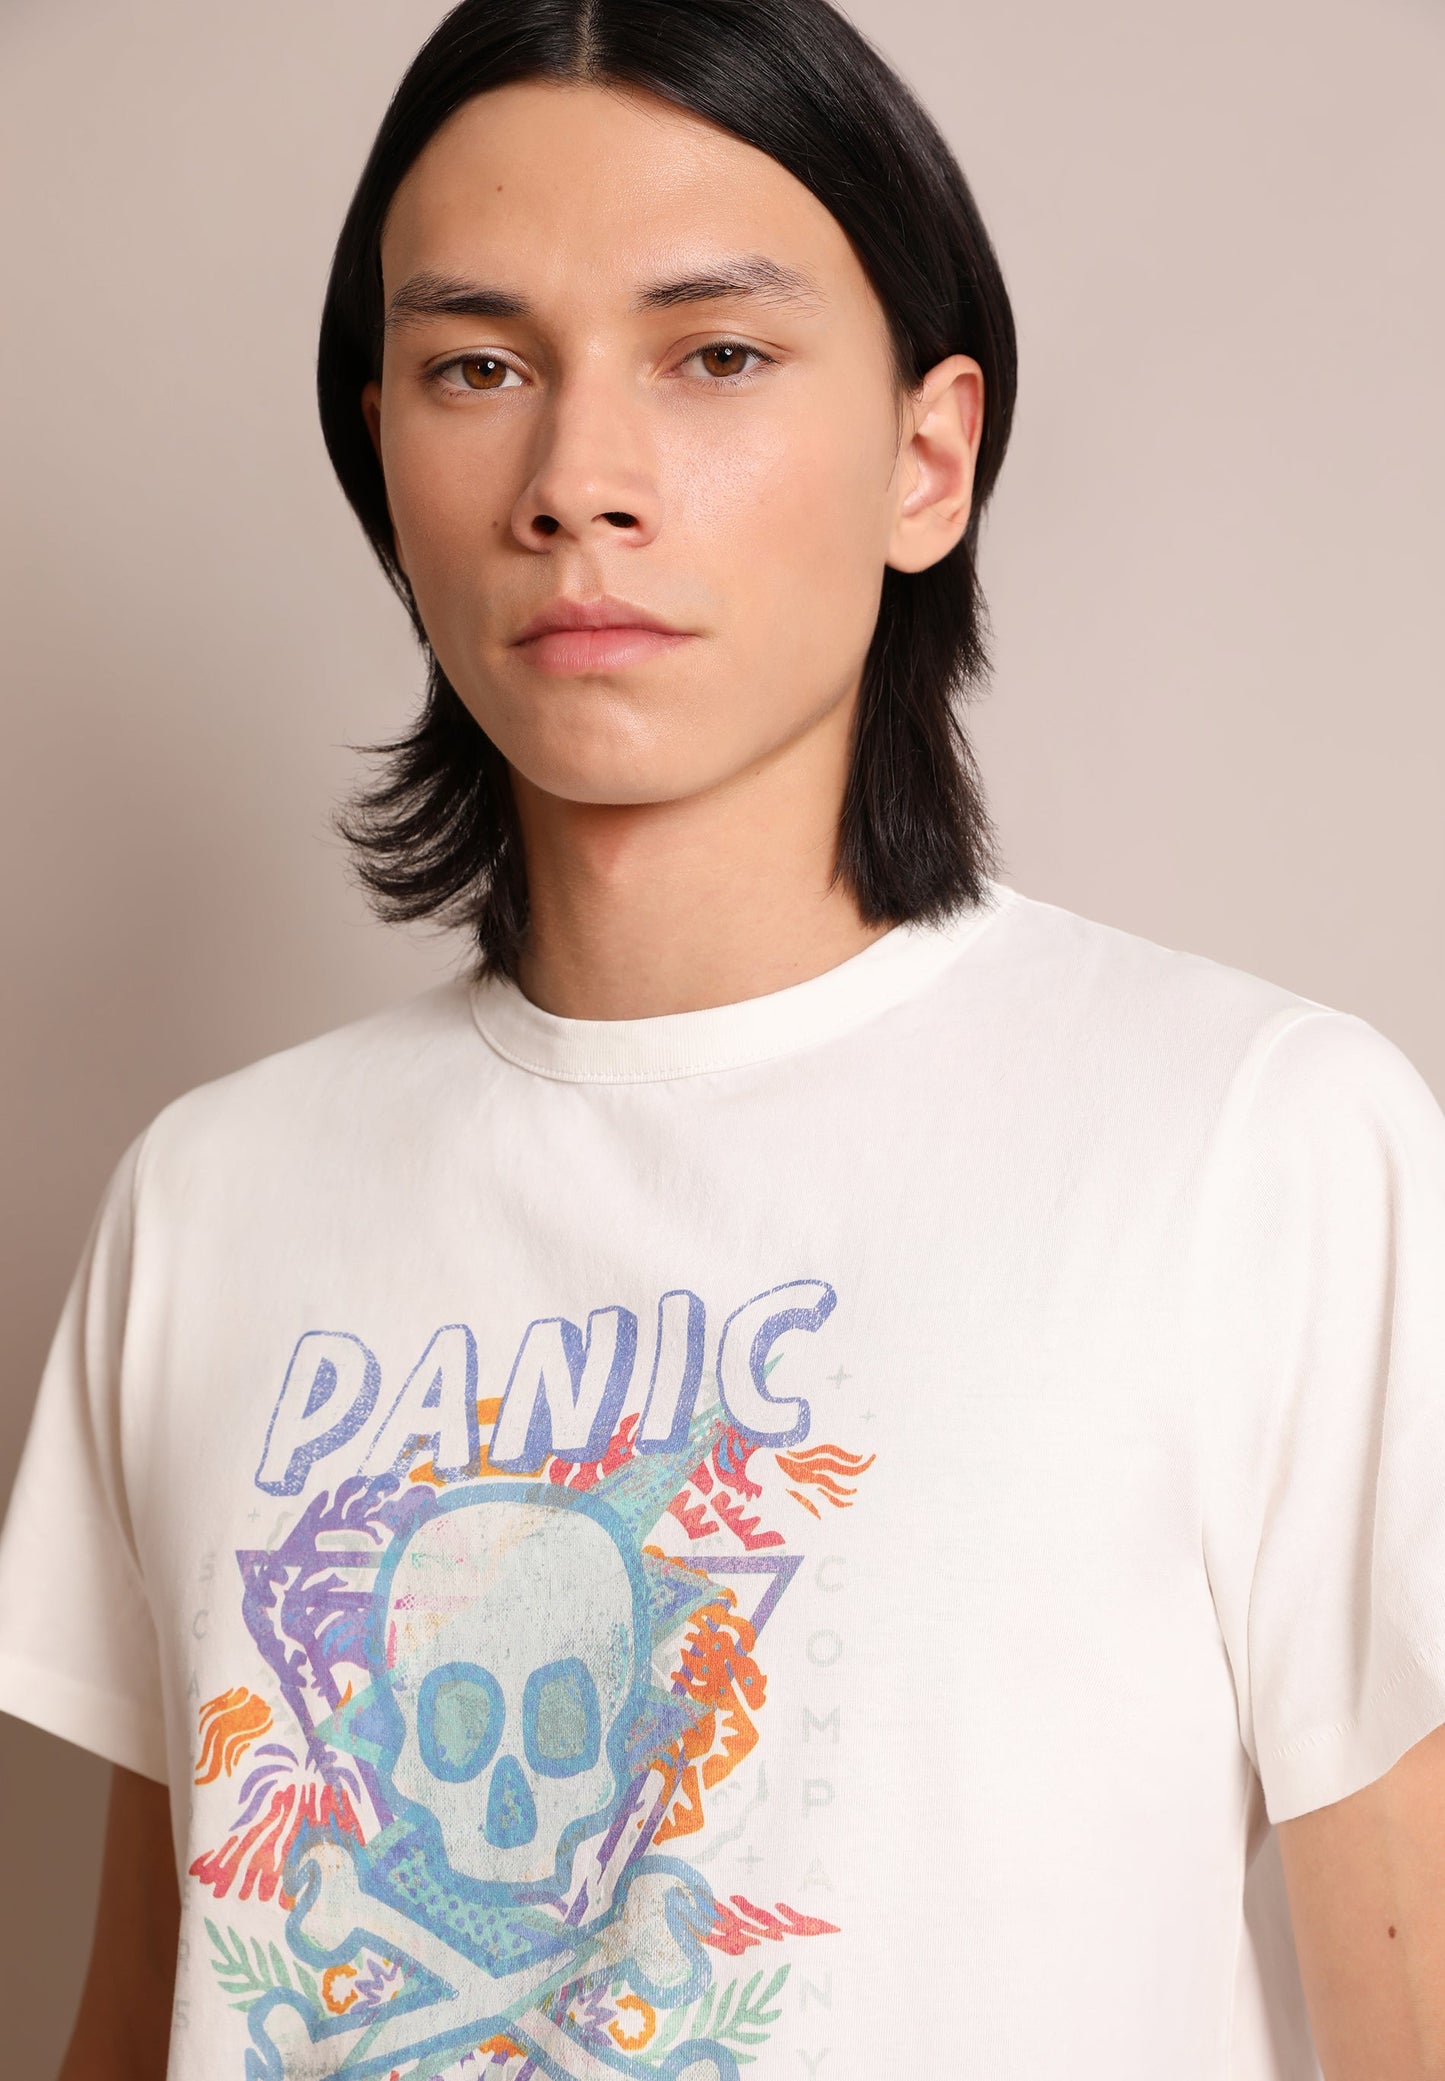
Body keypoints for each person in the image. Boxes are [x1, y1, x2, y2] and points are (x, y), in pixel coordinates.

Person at [2, 0, 1442, 2074]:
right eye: (478, 368)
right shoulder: (211, 1201)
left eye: (717, 356)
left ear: (927, 459)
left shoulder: (1255, 1148)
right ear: (384, 456)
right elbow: (147, 2018)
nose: (578, 484)